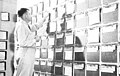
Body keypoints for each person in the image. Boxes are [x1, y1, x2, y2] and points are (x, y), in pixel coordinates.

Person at [14, 8, 49, 76]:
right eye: (29, 14)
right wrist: (35, 40)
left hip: (28, 54)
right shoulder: (21, 26)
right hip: (24, 55)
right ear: (25, 16)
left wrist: (44, 18)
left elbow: (35, 26)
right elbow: (22, 43)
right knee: (24, 74)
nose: (31, 16)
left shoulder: (26, 25)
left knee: (27, 73)